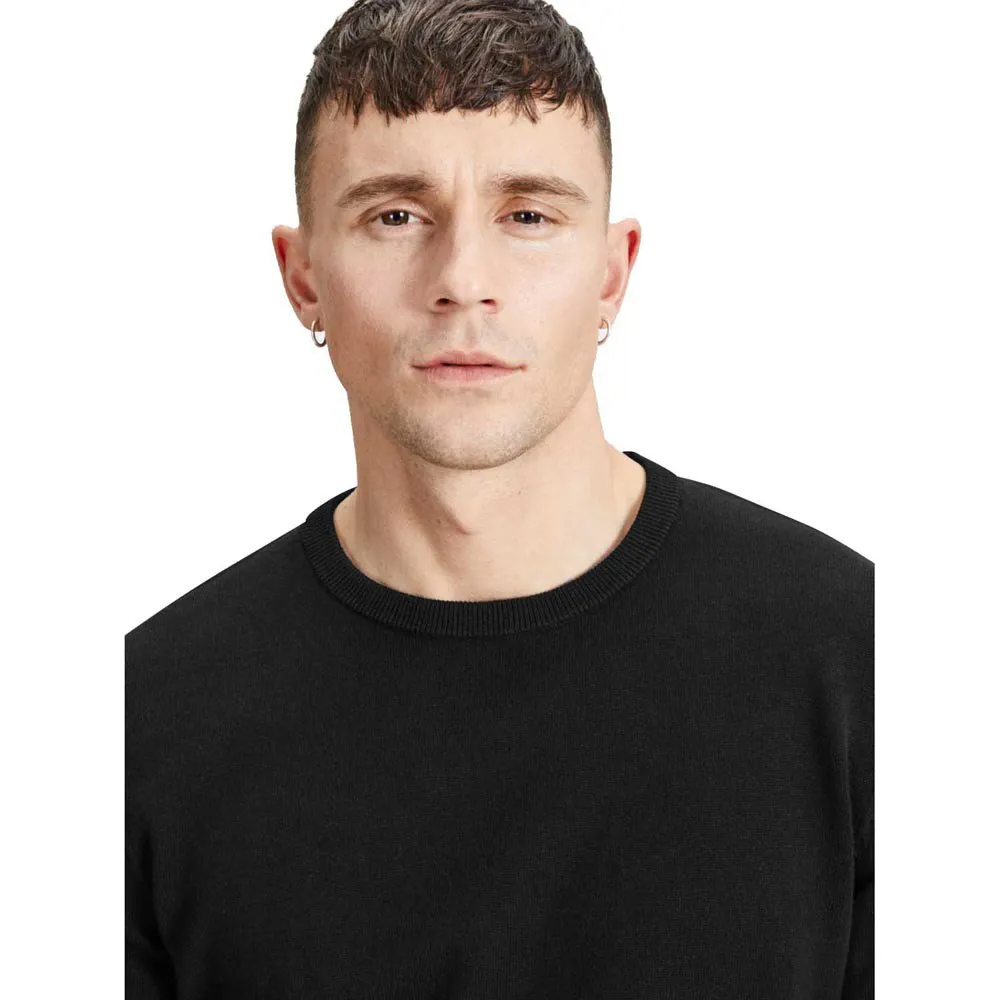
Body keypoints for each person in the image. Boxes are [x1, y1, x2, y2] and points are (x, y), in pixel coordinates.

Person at [125, 0, 873, 996]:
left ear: (610, 273)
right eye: (395, 215)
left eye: (528, 216)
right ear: (302, 278)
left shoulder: (866, 664)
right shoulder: (140, 724)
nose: (463, 281)